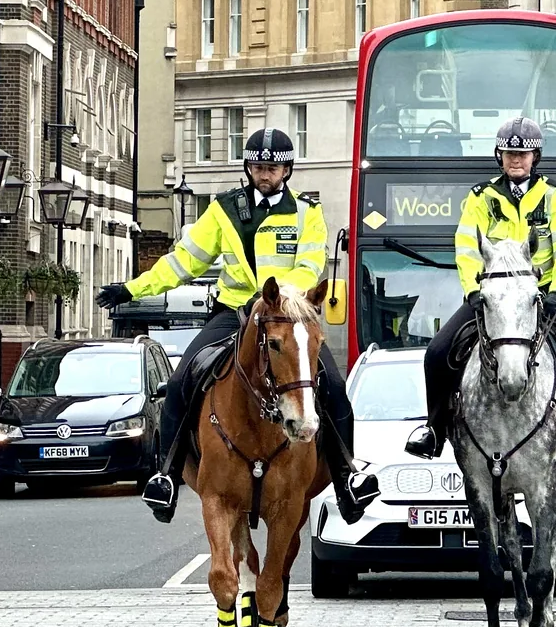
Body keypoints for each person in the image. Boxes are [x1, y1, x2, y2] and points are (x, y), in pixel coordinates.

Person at [95, 128, 377, 525]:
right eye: (259, 167)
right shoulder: (221, 209)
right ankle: (168, 476)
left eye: (273, 168)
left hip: (287, 313)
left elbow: (309, 266)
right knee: (179, 383)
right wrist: (133, 289)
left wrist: (275, 299)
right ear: (248, 168)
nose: (265, 174)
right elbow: (184, 262)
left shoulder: (306, 213)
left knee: (333, 385)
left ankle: (348, 476)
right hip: (232, 312)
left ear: (287, 171)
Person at [406, 117, 556, 473]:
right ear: (499, 156)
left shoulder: (554, 196)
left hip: (542, 297)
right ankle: (434, 430)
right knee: (437, 352)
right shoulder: (481, 197)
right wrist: (472, 291)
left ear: (535, 157)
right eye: (509, 153)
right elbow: (465, 246)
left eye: (522, 153)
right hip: (490, 295)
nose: (515, 160)